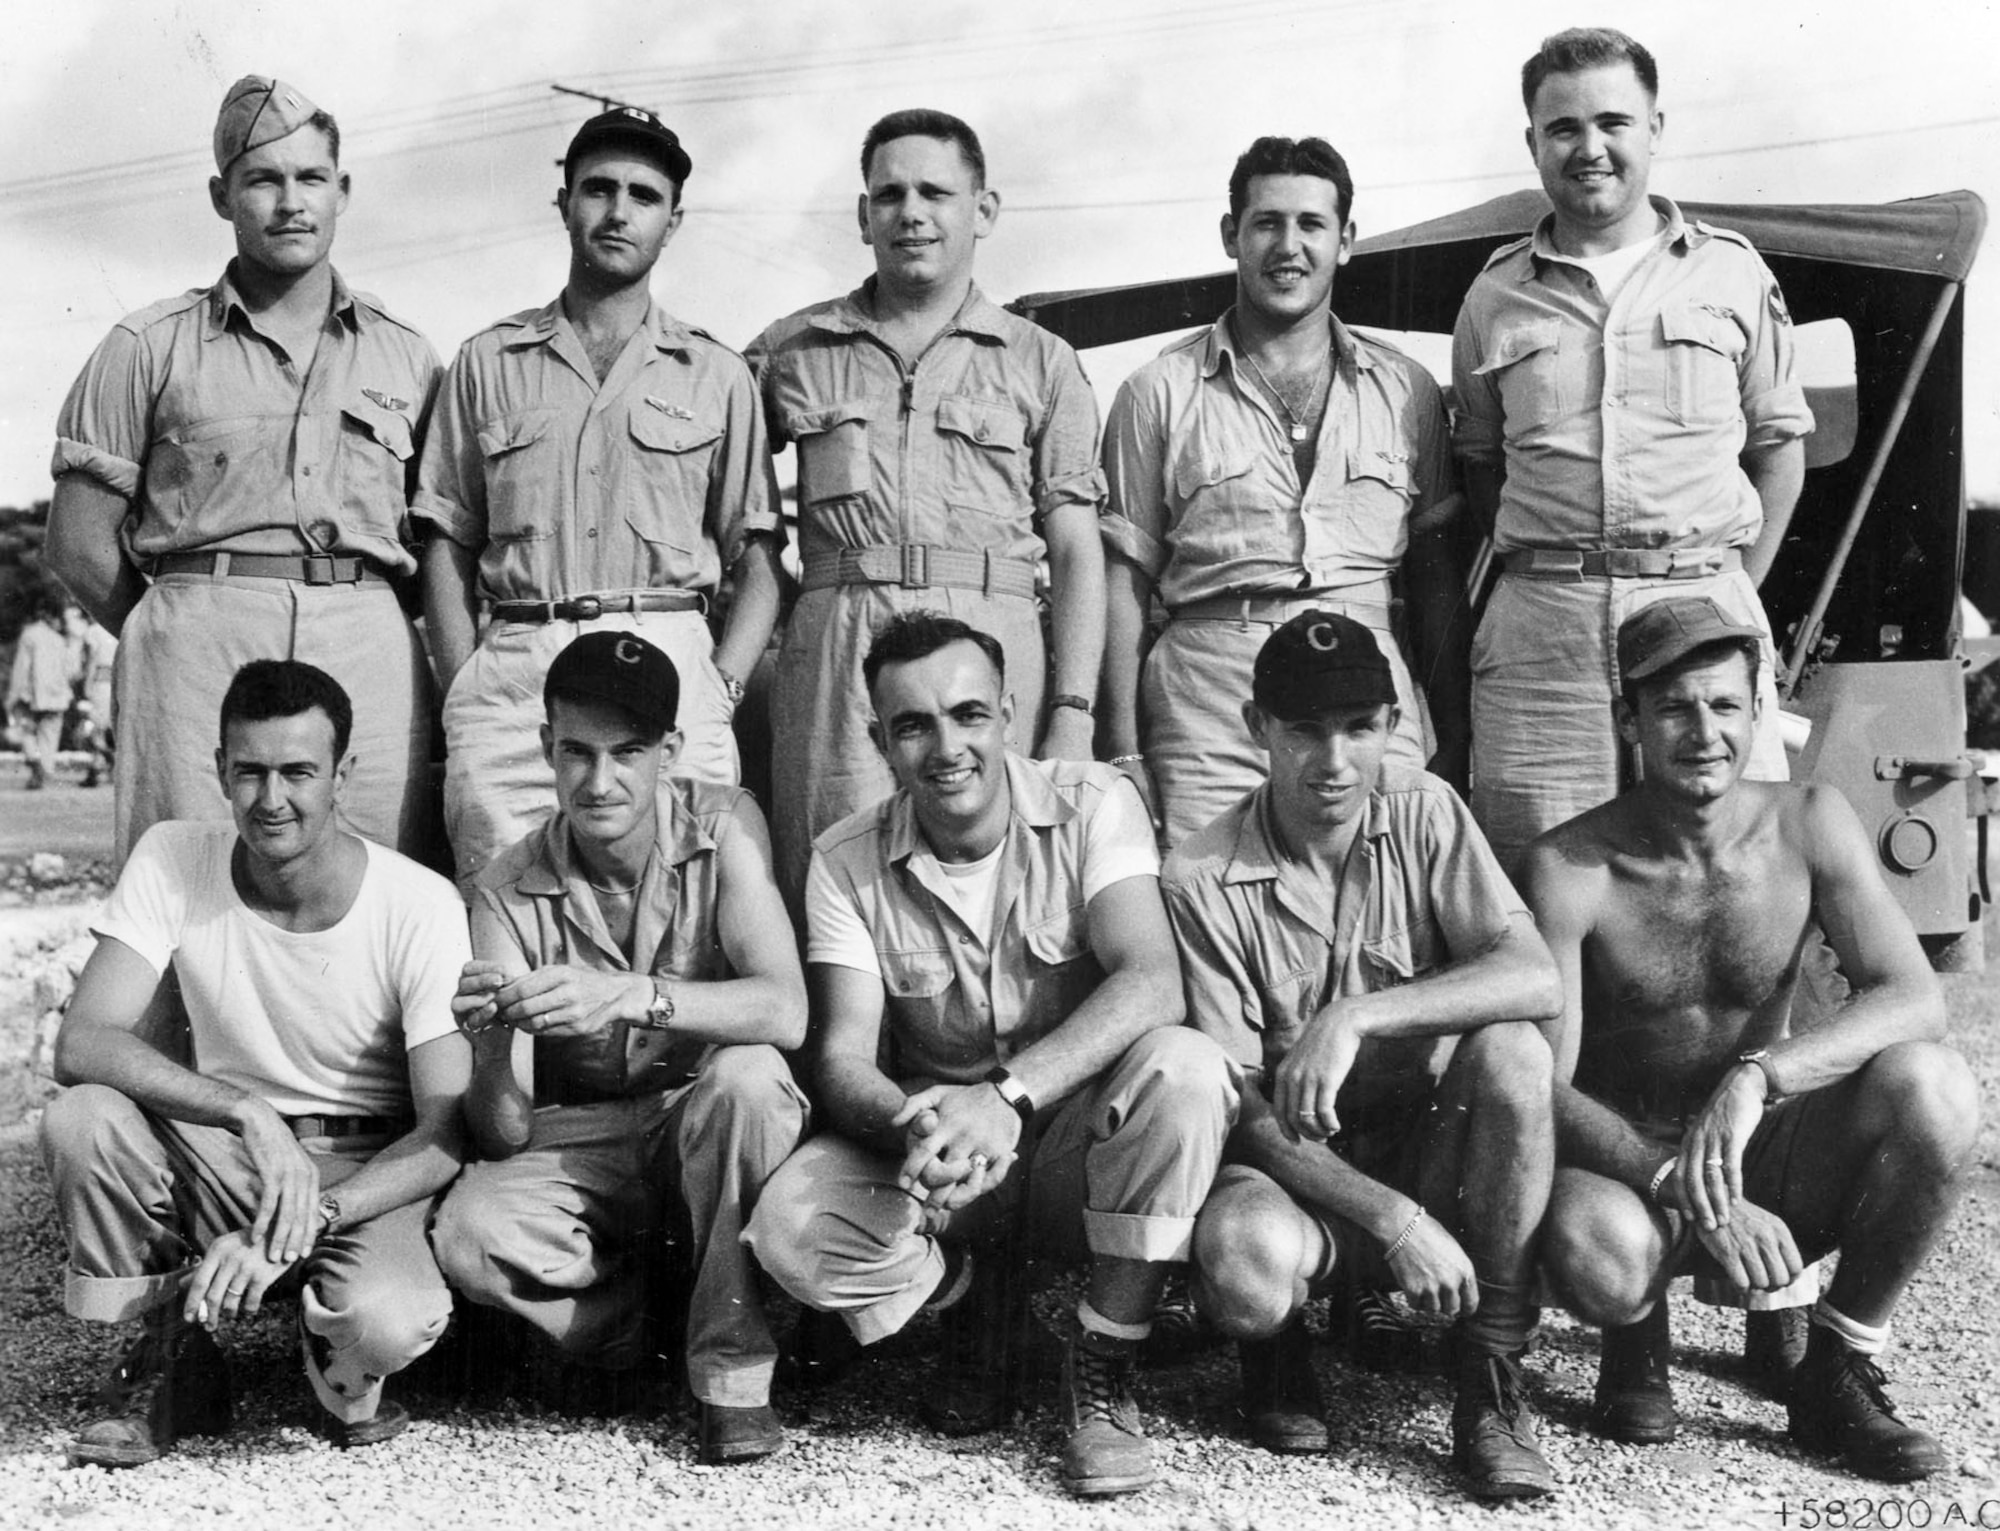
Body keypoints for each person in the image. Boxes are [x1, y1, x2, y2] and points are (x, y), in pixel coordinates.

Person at [745, 612, 1236, 1499]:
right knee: (793, 1227)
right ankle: (973, 1301)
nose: (947, 746)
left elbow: (1152, 981)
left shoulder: (1094, 803)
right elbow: (844, 1057)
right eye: (913, 725)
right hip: (943, 1159)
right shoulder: (844, 861)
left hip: (1071, 1144)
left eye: (969, 714)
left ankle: (1105, 1359)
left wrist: (1005, 1098)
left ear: (1010, 713)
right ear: (877, 740)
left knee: (1185, 1069)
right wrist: (918, 1121)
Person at [1520, 598, 1979, 1482]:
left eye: (1726, 706)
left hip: (1759, 1150)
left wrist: (1761, 1076)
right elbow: (1541, 1083)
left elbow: (1913, 994)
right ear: (1630, 721)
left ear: (1758, 712)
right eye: (1676, 707)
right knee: (1601, 1259)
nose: (1704, 731)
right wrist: (1674, 1180)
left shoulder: (1810, 820)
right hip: (1637, 1170)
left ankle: (1837, 1367)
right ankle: (1633, 1337)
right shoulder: (1571, 867)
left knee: (1938, 1089)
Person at [1162, 611, 1561, 1498]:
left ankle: (1489, 1376)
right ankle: (1276, 1348)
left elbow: (1535, 979)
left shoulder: (1424, 812)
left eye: (1359, 728)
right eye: (1304, 729)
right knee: (1245, 1264)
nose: (1333, 760)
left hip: (1425, 1144)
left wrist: (1355, 1015)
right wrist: (1393, 1219)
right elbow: (1240, 1107)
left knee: (1514, 1053)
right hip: (1294, 1169)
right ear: (1255, 728)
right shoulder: (1200, 873)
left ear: (1391, 725)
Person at [38, 660, 472, 1467]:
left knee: (386, 1320)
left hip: (363, 1172)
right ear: (220, 770)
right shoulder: (175, 856)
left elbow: (447, 1131)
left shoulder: (418, 904)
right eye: (251, 772)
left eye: (298, 772)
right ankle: (170, 1353)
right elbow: (83, 1040)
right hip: (231, 1151)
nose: (272, 800)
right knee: (82, 1118)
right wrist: (247, 1112)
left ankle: (329, 1346)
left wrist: (317, 1215)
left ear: (343, 774)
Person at [430, 632, 808, 1465]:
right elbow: (504, 1135)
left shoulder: (726, 821)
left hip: (697, 1114)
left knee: (750, 1079)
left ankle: (731, 1375)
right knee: (470, 1233)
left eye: (628, 752)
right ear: (545, 749)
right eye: (576, 752)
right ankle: (637, 1332)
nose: (599, 782)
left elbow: (785, 1010)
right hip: (588, 1133)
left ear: (669, 751)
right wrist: (492, 1046)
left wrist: (637, 995)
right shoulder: (503, 886)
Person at [47, 77, 440, 865]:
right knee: (189, 880)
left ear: (343, 191)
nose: (290, 202)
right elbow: (78, 543)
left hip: (367, 640)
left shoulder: (409, 354)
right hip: (198, 647)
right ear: (222, 196)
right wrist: (177, 631)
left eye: (311, 178)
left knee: (383, 884)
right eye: (263, 179)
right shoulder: (148, 345)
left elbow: (438, 542)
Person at [1451, 27, 1814, 876]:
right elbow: (1479, 463)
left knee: (1728, 879)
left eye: (1614, 122)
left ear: (1656, 128)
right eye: (1563, 128)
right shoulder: (1495, 293)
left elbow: (1778, 450)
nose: (1590, 148)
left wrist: (1725, 596)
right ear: (1533, 142)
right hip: (1546, 637)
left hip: (1702, 610)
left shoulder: (1730, 274)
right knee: (1540, 883)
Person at [748, 109, 1106, 908]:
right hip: (839, 653)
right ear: (864, 213)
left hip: (993, 639)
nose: (912, 212)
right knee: (833, 876)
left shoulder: (1040, 362)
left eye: (936, 192)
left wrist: (1074, 712)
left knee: (1005, 885)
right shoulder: (791, 353)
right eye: (890, 194)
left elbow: (1079, 552)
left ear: (983, 210)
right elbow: (730, 515)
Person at [416, 109, 782, 886]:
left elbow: (756, 559)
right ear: (564, 203)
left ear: (672, 220)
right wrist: (464, 684)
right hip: (519, 668)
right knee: (508, 905)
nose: (619, 212)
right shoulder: (488, 362)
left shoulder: (716, 374)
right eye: (599, 189)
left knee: (685, 909)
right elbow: (444, 541)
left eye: (644, 196)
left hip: (672, 656)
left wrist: (721, 686)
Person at [1103, 136, 1469, 850]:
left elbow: (1434, 577)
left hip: (1368, 685)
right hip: (1211, 696)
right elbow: (1124, 579)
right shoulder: (1157, 392)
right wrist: (1122, 748)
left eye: (1311, 224)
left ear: (1347, 240)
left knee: (1390, 894)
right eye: (1267, 222)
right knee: (1210, 899)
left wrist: (1452, 733)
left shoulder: (1407, 390)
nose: (1288, 246)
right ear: (1230, 235)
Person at [8, 595, 79, 790]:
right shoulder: (59, 639)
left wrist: (12, 696)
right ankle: (46, 770)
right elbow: (72, 670)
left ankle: (34, 763)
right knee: (50, 734)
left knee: (25, 730)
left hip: (31, 695)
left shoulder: (29, 635)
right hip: (57, 695)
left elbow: (21, 668)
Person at [72, 614, 119, 789]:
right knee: (110, 728)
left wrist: (87, 685)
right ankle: (106, 765)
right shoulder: (117, 626)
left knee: (95, 728)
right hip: (118, 680)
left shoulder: (93, 631)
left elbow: (91, 660)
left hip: (100, 681)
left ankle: (99, 766)